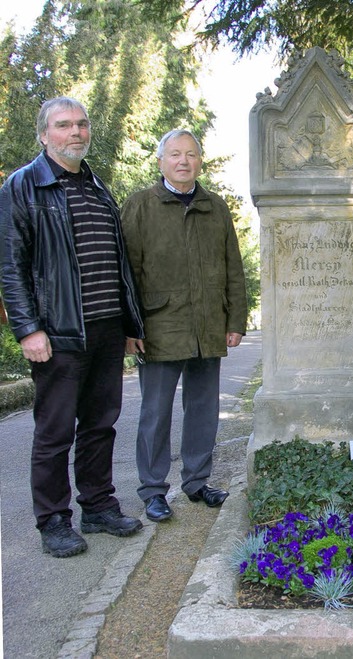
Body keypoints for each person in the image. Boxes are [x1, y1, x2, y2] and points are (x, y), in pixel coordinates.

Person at [0, 97, 144, 558]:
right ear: (44, 134)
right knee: (55, 431)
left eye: (81, 124)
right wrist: (28, 330)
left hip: (104, 330)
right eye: (63, 125)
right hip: (57, 332)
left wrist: (128, 323)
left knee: (101, 424)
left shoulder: (99, 188)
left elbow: (117, 263)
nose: (75, 132)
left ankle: (98, 506)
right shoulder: (23, 186)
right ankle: (53, 520)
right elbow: (11, 266)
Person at [121, 129, 248, 523]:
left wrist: (235, 320)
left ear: (199, 161)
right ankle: (153, 490)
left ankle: (196, 482)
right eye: (174, 154)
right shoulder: (140, 206)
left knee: (203, 410)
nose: (183, 161)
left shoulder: (216, 208)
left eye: (190, 154)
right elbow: (126, 273)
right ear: (160, 161)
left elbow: (233, 269)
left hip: (208, 326)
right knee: (155, 413)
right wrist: (130, 326)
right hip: (158, 329)